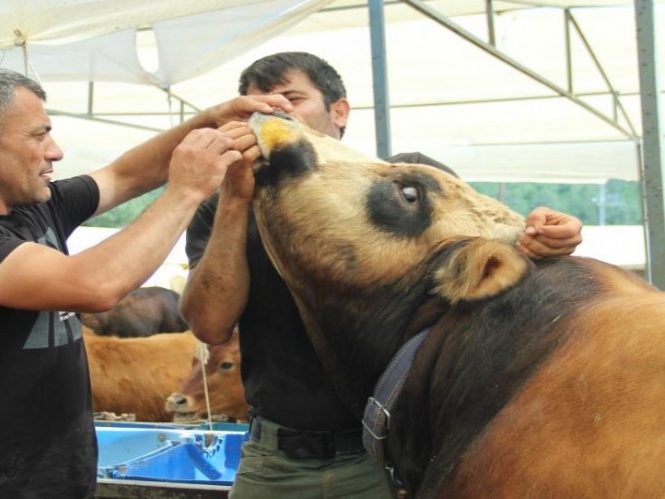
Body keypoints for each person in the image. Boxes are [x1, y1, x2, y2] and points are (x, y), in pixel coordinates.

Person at [179, 52, 584, 498]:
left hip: (391, 457)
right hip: (275, 461)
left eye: (291, 98)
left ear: (339, 111)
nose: (270, 112)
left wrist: (547, 235)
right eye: (253, 105)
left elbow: (497, 241)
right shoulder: (220, 210)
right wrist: (236, 198)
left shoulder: (407, 181)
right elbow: (209, 325)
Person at [0, 63, 290, 499]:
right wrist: (186, 190)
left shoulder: (34, 208)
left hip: (60, 480)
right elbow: (95, 285)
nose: (54, 152)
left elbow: (125, 175)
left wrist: (213, 119)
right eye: (39, 135)